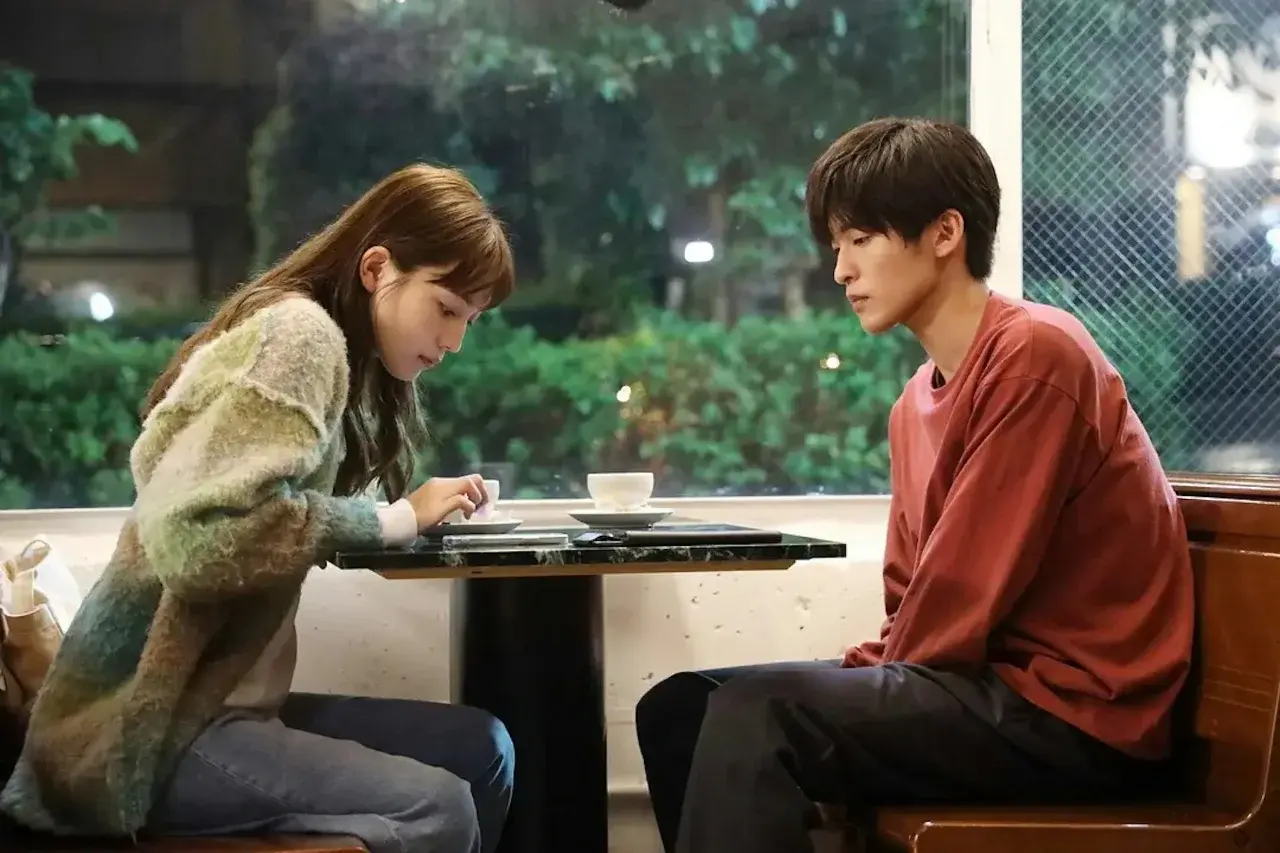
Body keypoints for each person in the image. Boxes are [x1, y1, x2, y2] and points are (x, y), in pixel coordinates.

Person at [634, 117, 1195, 853]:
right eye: (836, 245)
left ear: (945, 233)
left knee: (759, 711)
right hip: (981, 685)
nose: (841, 271)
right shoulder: (914, 403)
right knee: (680, 707)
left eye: (861, 239)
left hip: (1080, 712)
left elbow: (964, 587)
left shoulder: (1035, 356)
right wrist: (868, 674)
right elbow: (913, 591)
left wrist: (863, 679)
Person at [0, 164, 518, 853]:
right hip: (148, 733)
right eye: (447, 309)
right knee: (440, 806)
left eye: (470, 321)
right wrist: (393, 519)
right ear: (376, 269)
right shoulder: (300, 336)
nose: (455, 342)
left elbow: (275, 508)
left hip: (219, 710)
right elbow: (196, 542)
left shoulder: (329, 349)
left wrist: (400, 515)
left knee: (482, 749)